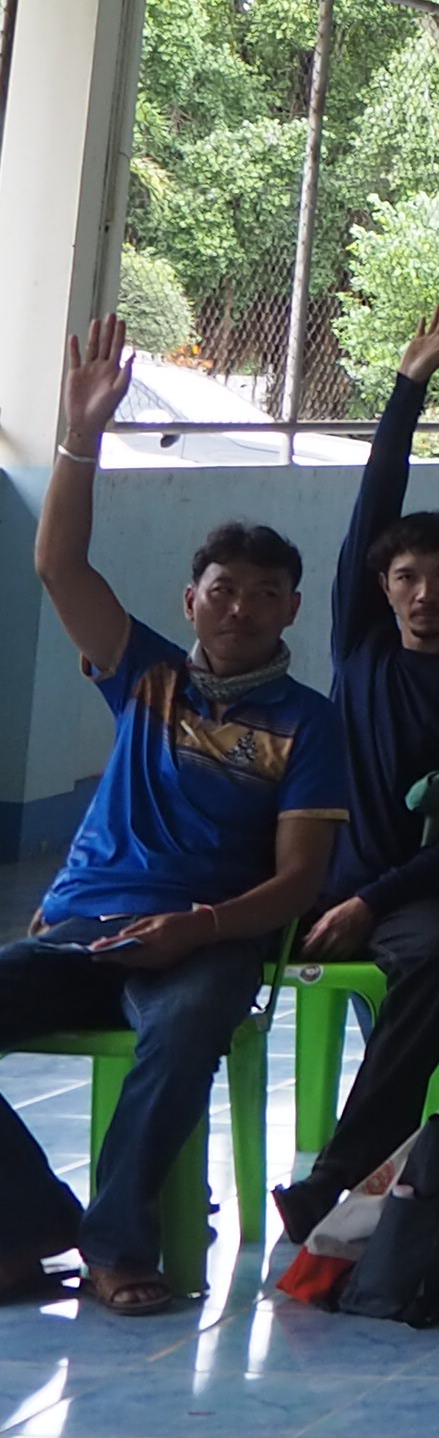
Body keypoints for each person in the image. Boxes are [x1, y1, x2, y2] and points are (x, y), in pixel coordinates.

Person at [0, 321, 346, 1311]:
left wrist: (199, 927)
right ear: (190, 600)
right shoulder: (145, 676)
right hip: (85, 928)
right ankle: (33, 1223)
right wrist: (80, 437)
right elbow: (59, 566)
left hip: (206, 942)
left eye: (265, 594)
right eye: (223, 591)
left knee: (185, 1034)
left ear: (291, 611)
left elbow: (299, 881)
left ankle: (118, 1247)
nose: (240, 608)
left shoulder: (309, 724)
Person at [275, 289, 439, 1236]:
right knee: (192, 956)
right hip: (307, 876)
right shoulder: (363, 649)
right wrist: (407, 389)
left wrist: (372, 902)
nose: (426, 592)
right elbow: (372, 507)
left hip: (402, 895)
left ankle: (335, 1175)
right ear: (382, 589)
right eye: (407, 577)